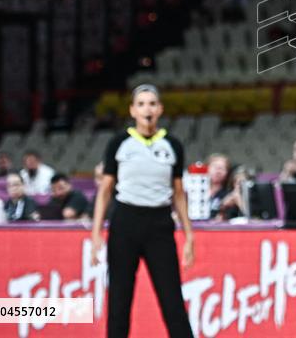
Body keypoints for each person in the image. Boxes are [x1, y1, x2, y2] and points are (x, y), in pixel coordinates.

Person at [91, 84, 194, 338]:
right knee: (119, 301)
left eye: (151, 104)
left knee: (172, 300)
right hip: (125, 221)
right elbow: (105, 191)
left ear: (159, 109)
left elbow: (179, 194)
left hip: (159, 223)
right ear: (132, 110)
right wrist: (95, 234)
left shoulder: (173, 145)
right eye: (141, 104)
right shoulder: (119, 142)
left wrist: (189, 235)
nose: (146, 109)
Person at [205, 154, 231, 219]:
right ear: (207, 168)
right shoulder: (196, 191)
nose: (218, 171)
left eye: (222, 168)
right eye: (215, 167)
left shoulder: (229, 194)